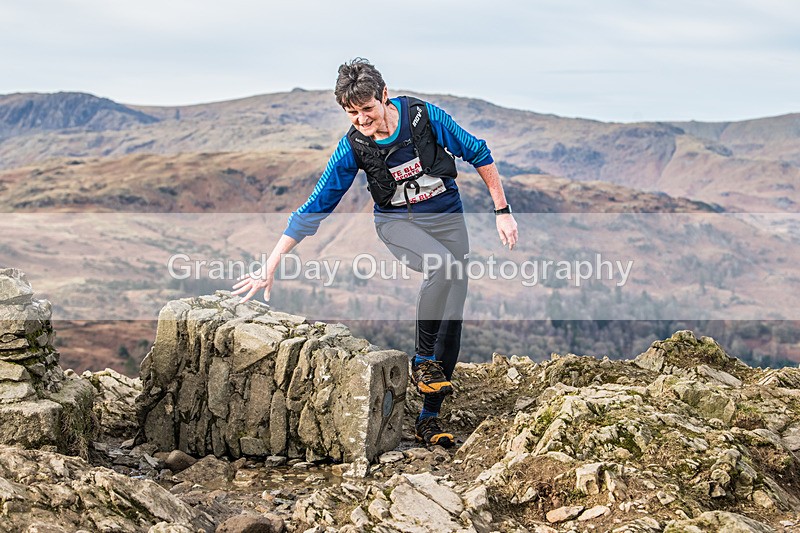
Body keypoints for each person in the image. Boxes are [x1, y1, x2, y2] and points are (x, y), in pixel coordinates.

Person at [233, 58, 518, 448]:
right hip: (398, 224)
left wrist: (502, 211)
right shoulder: (354, 146)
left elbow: (478, 152)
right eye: (352, 113)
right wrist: (271, 263)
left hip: (448, 219)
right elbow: (318, 203)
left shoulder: (422, 117)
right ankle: (421, 361)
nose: (362, 120)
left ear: (385, 96)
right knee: (442, 268)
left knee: (453, 312)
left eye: (367, 109)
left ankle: (429, 417)